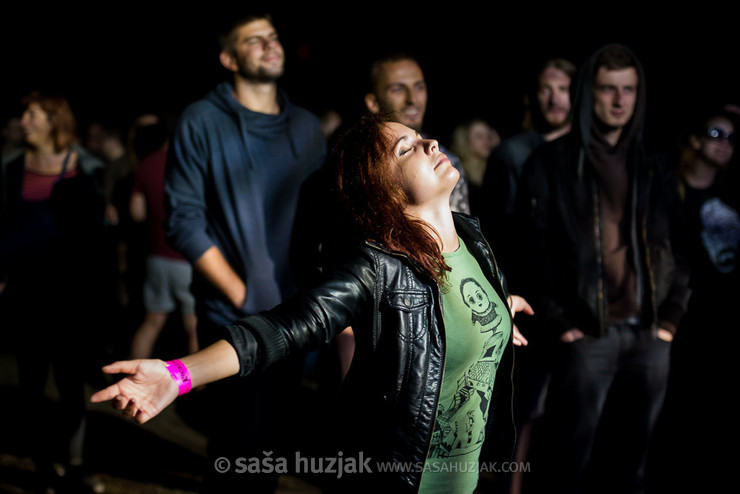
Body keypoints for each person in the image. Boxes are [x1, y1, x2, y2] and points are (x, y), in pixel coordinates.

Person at [92, 111, 533, 494]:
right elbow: (285, 328)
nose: (430, 143)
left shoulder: (472, 237)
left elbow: (453, 308)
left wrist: (498, 312)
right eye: (407, 149)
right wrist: (179, 374)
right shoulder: (376, 269)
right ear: (385, 192)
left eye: (421, 137)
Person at [512, 44, 691, 494]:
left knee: (630, 468)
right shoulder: (550, 163)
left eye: (628, 90)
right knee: (567, 463)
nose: (619, 100)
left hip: (649, 334)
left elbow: (680, 247)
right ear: (589, 92)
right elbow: (529, 253)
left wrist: (668, 321)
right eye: (609, 89)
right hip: (585, 333)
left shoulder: (654, 163)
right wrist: (563, 325)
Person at [163, 12, 326, 493]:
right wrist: (241, 292)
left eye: (273, 36)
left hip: (298, 316)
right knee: (237, 449)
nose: (269, 45)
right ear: (228, 57)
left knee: (273, 448)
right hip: (232, 316)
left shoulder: (307, 126)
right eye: (253, 41)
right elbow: (183, 222)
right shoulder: (201, 121)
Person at [0, 90, 108, 493]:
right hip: (26, 292)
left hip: (69, 294)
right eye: (25, 114)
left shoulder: (86, 167)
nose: (24, 121)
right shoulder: (12, 166)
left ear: (53, 120)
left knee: (69, 382)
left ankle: (76, 464)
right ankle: (42, 465)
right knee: (30, 383)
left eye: (32, 114)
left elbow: (97, 238)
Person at [649, 107, 739, 491]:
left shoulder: (732, 193)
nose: (725, 145)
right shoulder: (670, 189)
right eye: (717, 134)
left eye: (732, 138)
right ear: (695, 139)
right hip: (679, 319)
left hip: (723, 319)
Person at [480, 57, 576, 257]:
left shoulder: (588, 152)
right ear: (533, 96)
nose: (554, 99)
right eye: (545, 89)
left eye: (563, 89)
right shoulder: (511, 153)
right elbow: (499, 229)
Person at [364, 52, 471, 214]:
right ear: (373, 102)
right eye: (398, 89)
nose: (412, 99)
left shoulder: (445, 161)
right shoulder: (357, 166)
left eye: (419, 87)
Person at [128, 121, 199, 360]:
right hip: (189, 258)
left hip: (157, 257)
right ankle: (197, 392)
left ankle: (131, 379)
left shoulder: (147, 163)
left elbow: (136, 213)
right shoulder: (193, 163)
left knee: (151, 324)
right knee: (194, 328)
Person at [450, 117, 500, 216]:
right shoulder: (458, 175)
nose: (486, 140)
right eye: (479, 136)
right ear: (464, 141)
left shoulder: (493, 173)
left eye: (489, 136)